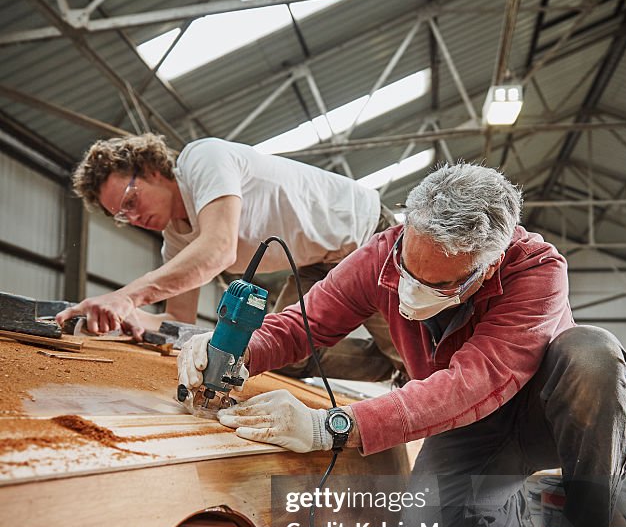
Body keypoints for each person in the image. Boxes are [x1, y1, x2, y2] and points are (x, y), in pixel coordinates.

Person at [177, 162, 626, 527]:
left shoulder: (537, 270)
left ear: (490, 264)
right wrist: (236, 351)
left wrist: (330, 426)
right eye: (408, 269)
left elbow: (474, 382)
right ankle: (504, 516)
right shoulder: (382, 254)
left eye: (439, 284)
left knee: (592, 354)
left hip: (543, 415)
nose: (412, 289)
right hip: (474, 428)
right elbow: (303, 323)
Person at [55, 134, 403, 381]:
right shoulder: (177, 239)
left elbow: (219, 250)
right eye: (121, 216)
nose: (132, 218)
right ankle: (389, 362)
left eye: (130, 200)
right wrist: (128, 317)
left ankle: (401, 359)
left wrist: (125, 296)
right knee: (280, 354)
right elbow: (179, 319)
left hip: (364, 232)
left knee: (415, 360)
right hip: (317, 262)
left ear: (152, 170)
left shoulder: (202, 159)